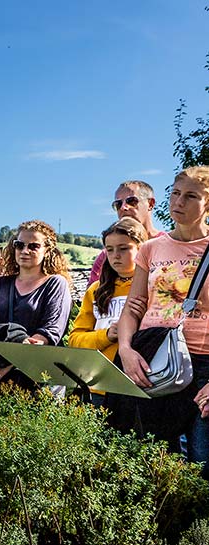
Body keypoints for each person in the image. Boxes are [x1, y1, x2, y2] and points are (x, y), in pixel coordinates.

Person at [116, 167, 209, 476]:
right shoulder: (150, 248)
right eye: (175, 194)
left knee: (201, 461)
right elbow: (133, 308)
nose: (179, 202)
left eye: (191, 196)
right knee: (153, 456)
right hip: (155, 356)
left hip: (204, 366)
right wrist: (127, 351)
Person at [0, 220, 72, 399]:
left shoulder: (55, 284)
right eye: (19, 245)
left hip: (40, 379)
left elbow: (50, 332)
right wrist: (2, 360)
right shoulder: (0, 285)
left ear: (47, 250)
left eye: (34, 246)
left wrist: (11, 363)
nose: (25, 251)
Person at [68, 218, 148, 405]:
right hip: (97, 386)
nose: (115, 255)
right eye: (109, 249)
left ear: (141, 249)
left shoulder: (152, 286)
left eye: (123, 248)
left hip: (137, 385)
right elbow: (75, 340)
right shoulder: (96, 290)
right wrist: (106, 336)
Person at [88, 180, 164, 285]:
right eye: (118, 204)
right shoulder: (107, 256)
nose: (123, 207)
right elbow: (93, 296)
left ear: (150, 204)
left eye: (131, 201)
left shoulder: (169, 245)